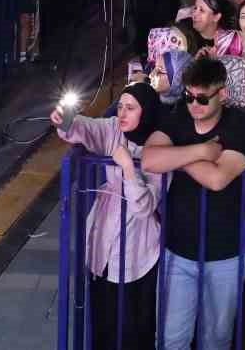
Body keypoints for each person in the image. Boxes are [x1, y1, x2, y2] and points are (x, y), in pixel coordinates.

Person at [142, 57, 245, 350]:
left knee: (215, 341)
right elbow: (149, 159)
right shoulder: (179, 116)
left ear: (223, 94)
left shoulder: (240, 124)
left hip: (226, 255)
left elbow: (217, 179)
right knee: (170, 340)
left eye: (202, 99)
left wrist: (176, 156)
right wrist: (201, 151)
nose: (194, 104)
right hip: (178, 251)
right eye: (189, 96)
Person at [53, 83, 165, 350]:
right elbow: (87, 128)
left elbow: (144, 206)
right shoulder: (114, 128)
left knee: (132, 325)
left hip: (138, 249)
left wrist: (128, 168)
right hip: (104, 239)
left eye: (131, 108)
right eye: (121, 106)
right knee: (103, 319)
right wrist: (65, 119)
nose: (122, 113)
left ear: (146, 112)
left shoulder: (160, 146)